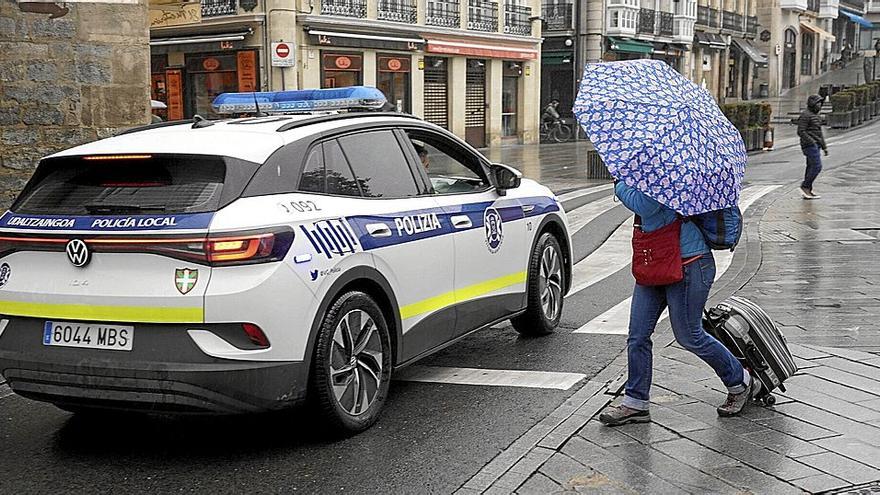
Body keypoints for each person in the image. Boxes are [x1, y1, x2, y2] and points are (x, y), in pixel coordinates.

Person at [598, 182, 760, 426]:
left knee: (689, 335)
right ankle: (636, 403)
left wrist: (620, 184)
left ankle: (741, 382)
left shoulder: (667, 175)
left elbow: (645, 205)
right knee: (638, 334)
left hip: (690, 264)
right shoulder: (648, 174)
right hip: (655, 262)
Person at [796, 95, 828, 199]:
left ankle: (808, 189)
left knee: (810, 166)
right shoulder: (806, 115)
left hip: (816, 144)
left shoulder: (816, 116)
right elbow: (801, 131)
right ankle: (805, 186)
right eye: (817, 103)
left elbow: (819, 132)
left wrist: (824, 147)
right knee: (817, 166)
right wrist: (812, 142)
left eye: (820, 103)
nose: (819, 105)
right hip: (809, 145)